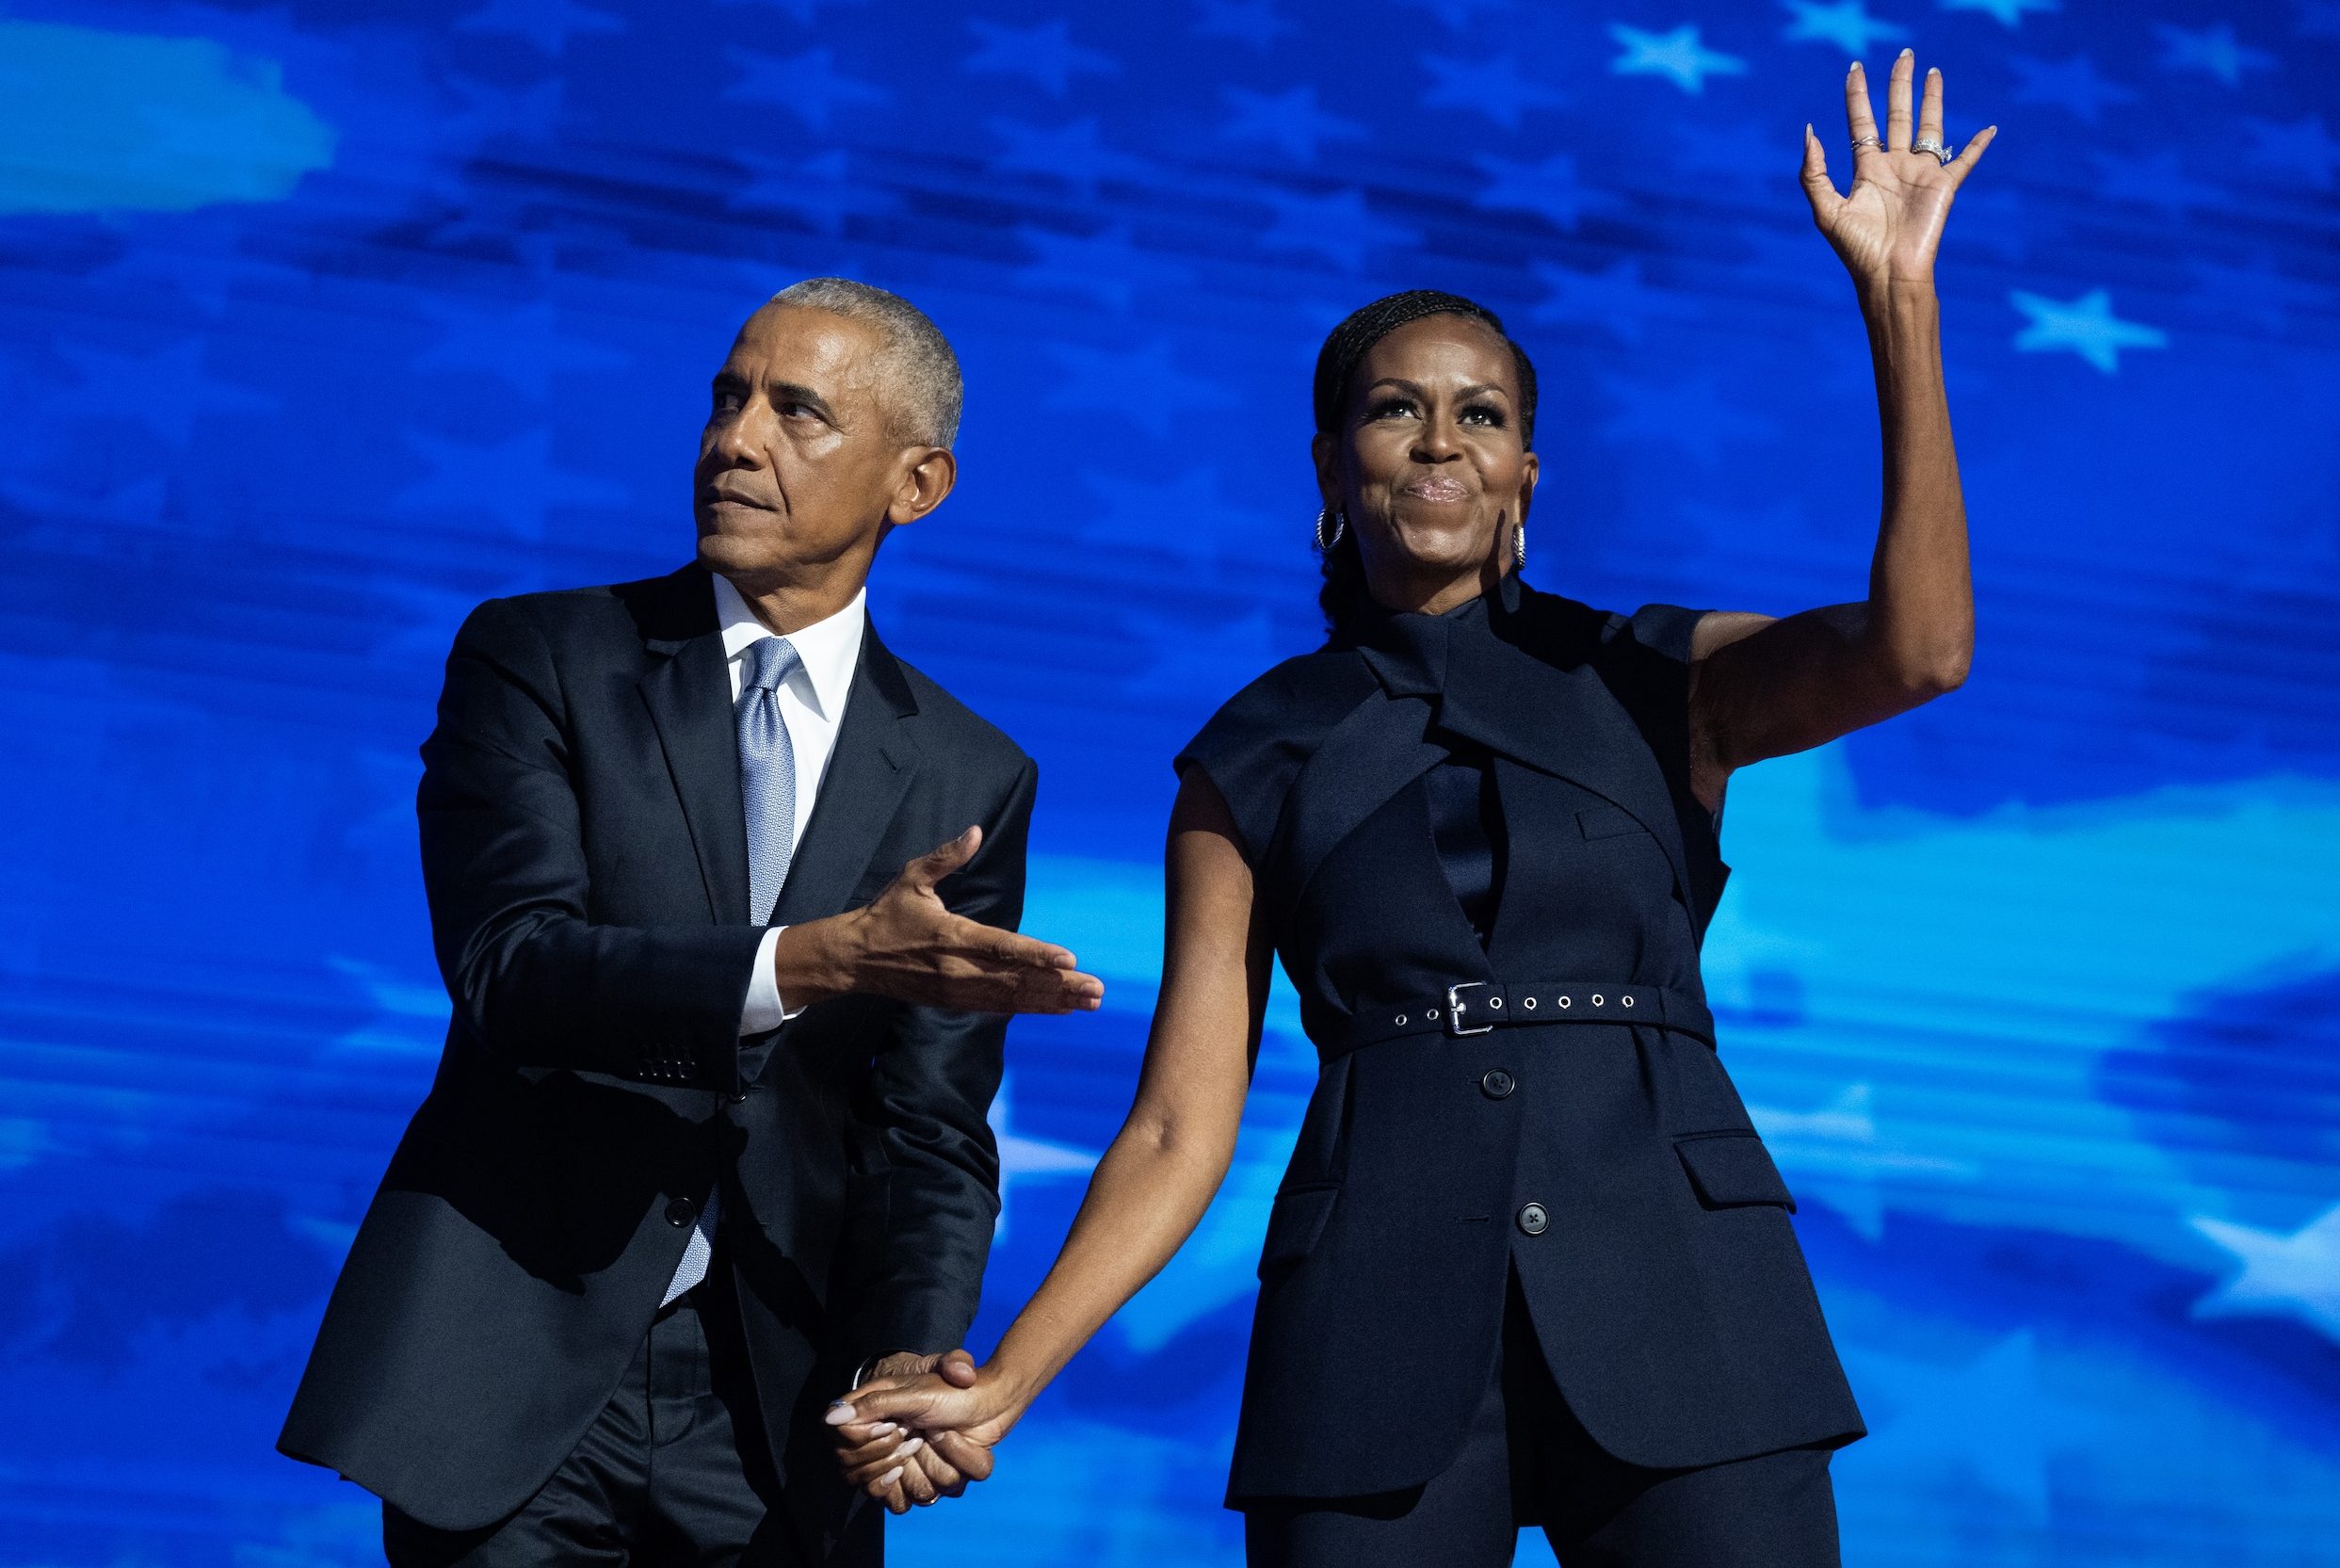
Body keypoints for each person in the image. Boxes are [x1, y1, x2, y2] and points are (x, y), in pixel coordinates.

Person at [830, 53, 1993, 1566]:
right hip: (1368, 1335)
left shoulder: (1650, 676)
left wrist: (1897, 300)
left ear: (1524, 473)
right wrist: (1007, 1380)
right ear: (1332, 462)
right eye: (1395, 409)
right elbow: (1182, 1121)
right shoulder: (1248, 753)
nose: (1439, 440)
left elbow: (1922, 648)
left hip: (1688, 1303)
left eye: (1481, 415)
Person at [277, 276, 1103, 1566]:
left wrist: (906, 1349)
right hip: (520, 1364)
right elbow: (511, 970)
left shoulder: (968, 774)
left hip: (777, 1406)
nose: (736, 439)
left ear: (916, 484)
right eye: (728, 398)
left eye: (799, 412)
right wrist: (810, 960)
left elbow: (931, 1128)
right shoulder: (542, 655)